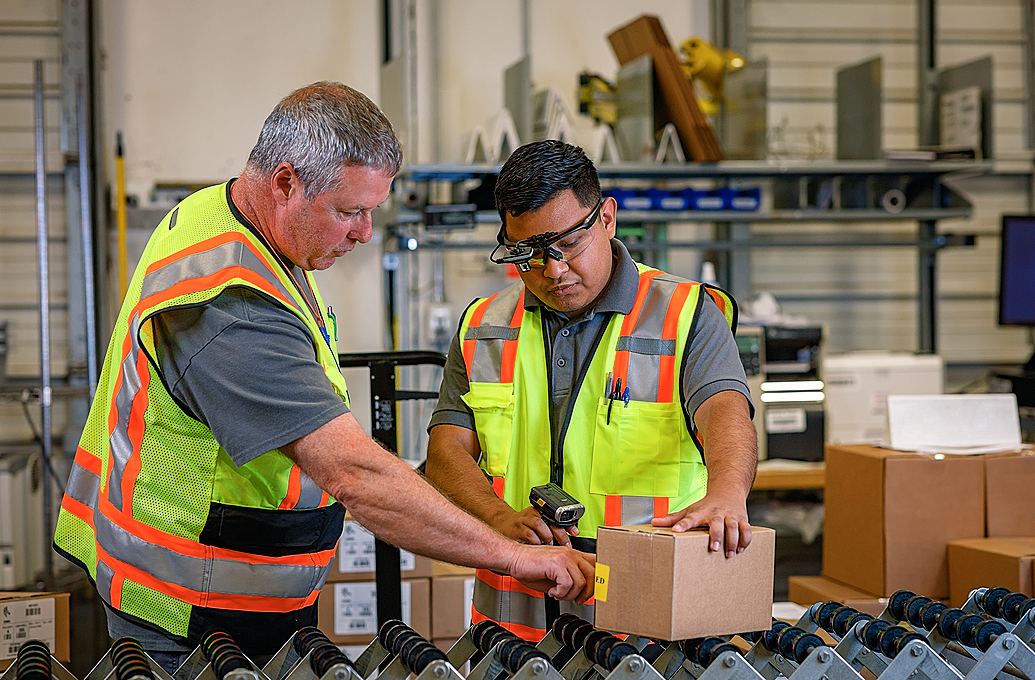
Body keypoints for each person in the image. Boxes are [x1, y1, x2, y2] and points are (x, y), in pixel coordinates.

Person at [52, 83, 594, 670]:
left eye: (372, 210)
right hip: (191, 607)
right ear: (285, 182)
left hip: (233, 589)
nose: (364, 232)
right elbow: (354, 474)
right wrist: (508, 556)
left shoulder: (227, 215)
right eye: (349, 211)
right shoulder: (230, 308)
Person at [425, 140, 757, 640]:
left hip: (644, 615)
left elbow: (725, 409)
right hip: (515, 624)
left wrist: (728, 492)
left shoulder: (684, 314)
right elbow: (446, 449)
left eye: (568, 245)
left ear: (606, 219)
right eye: (528, 253)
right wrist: (501, 521)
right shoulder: (483, 325)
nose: (552, 270)